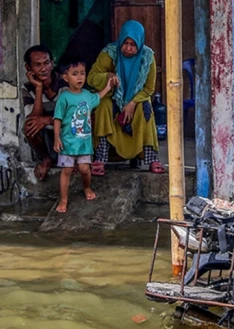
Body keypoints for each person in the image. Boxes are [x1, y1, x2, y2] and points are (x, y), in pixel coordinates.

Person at [87, 20, 164, 175]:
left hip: (136, 99)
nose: (128, 48)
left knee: (146, 108)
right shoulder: (109, 53)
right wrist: (107, 76)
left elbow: (149, 89)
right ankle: (100, 158)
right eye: (125, 43)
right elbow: (91, 78)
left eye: (133, 44)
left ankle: (151, 158)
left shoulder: (147, 57)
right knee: (103, 106)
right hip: (112, 96)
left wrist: (132, 103)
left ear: (140, 44)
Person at [53, 58, 113, 213]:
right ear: (66, 78)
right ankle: (64, 199)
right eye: (75, 74)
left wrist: (107, 86)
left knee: (85, 169)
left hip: (84, 143)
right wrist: (57, 138)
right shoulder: (64, 98)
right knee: (66, 170)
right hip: (67, 142)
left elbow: (98, 97)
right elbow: (57, 119)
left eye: (82, 73)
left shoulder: (87, 95)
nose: (79, 77)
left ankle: (87, 187)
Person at [21, 45, 67, 181]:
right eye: (38, 65)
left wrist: (47, 120)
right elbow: (33, 119)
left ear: (52, 63)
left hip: (67, 133)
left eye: (47, 63)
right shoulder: (28, 88)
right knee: (29, 127)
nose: (44, 69)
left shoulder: (65, 82)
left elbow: (75, 117)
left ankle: (74, 159)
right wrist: (39, 89)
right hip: (48, 136)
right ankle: (47, 158)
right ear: (29, 68)